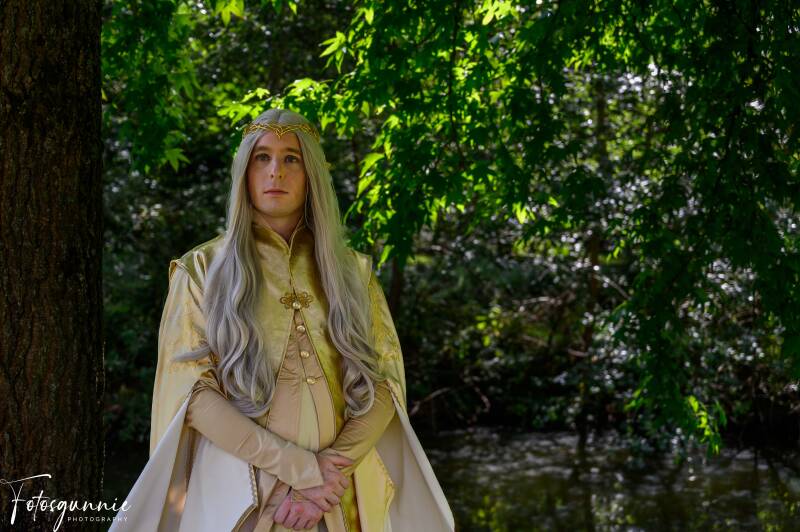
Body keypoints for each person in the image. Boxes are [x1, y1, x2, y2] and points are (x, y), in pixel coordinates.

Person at [110, 109, 454, 532]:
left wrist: (328, 475)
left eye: (291, 158)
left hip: (336, 501)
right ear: (245, 172)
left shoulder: (353, 272)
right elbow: (192, 394)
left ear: (311, 175)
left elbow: (384, 385)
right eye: (262, 157)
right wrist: (299, 469)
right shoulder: (200, 270)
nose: (276, 171)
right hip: (243, 501)